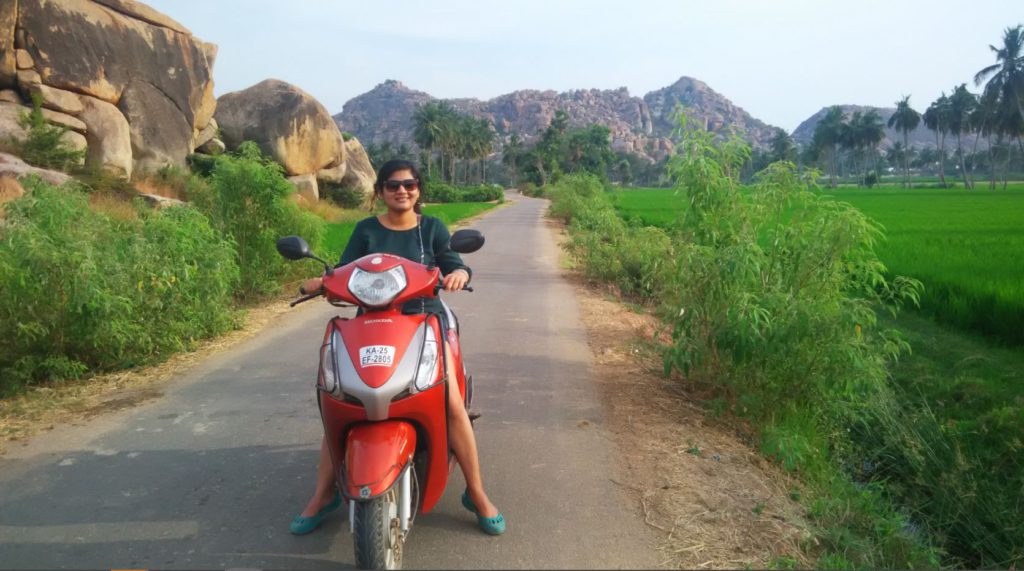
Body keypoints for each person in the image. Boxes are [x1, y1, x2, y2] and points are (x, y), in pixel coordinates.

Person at [290, 159, 505, 536]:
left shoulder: (433, 228)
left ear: (418, 189)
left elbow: (453, 261)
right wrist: (324, 284)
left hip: (424, 321)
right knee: (340, 400)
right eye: (392, 185)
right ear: (380, 191)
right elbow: (344, 272)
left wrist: (458, 273)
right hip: (370, 324)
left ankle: (476, 492)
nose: (401, 190)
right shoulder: (366, 230)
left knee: (451, 404)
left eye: (409, 184)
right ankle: (322, 494)